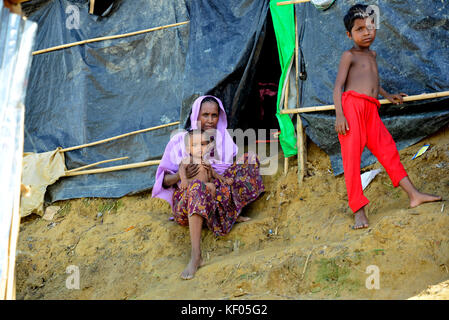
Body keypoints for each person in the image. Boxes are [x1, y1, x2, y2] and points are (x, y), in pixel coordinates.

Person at [333, 4, 441, 229]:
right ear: (349, 34)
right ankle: (358, 210)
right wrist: (340, 115)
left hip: (371, 109)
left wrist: (388, 96)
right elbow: (338, 86)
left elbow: (373, 81)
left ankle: (414, 195)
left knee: (387, 151)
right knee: (352, 160)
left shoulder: (372, 54)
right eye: (360, 29)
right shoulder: (348, 55)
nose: (367, 32)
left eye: (370, 27)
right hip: (352, 108)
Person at [152, 95, 265, 279]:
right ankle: (196, 256)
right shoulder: (181, 140)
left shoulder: (225, 140)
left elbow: (225, 174)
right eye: (205, 115)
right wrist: (184, 176)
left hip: (214, 193)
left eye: (214, 115)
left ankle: (230, 212)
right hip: (188, 199)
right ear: (196, 116)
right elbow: (163, 181)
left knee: (250, 158)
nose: (210, 120)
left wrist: (224, 179)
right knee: (198, 187)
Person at [179, 129, 233, 196]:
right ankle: (212, 204)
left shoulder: (206, 162)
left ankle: (210, 203)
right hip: (192, 186)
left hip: (204, 186)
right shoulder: (189, 160)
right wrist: (184, 180)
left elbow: (215, 174)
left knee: (215, 185)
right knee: (211, 186)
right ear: (188, 149)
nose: (199, 148)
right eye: (195, 145)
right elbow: (181, 168)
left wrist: (225, 179)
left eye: (202, 144)